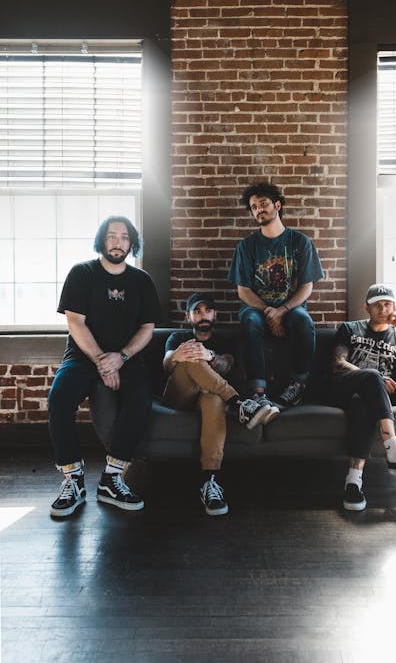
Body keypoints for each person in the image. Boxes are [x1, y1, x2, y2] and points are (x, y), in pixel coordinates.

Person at [48, 216, 162, 518]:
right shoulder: (82, 273)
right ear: (102, 240)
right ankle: (73, 480)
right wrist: (102, 361)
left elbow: (147, 327)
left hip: (126, 358)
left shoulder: (141, 281)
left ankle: (112, 479)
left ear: (131, 243)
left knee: (140, 399)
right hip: (84, 355)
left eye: (124, 237)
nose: (118, 242)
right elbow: (75, 322)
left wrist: (121, 357)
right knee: (59, 398)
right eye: (112, 236)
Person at [324, 284, 396, 512]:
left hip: (370, 401)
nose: (383, 309)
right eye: (377, 305)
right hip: (343, 390)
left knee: (362, 405)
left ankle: (353, 481)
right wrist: (376, 377)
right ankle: (394, 449)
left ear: (394, 307)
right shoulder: (350, 329)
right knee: (370, 378)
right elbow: (337, 364)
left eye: (387, 304)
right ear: (367, 307)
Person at [162, 292, 271, 516]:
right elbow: (166, 365)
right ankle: (240, 403)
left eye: (208, 310)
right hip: (179, 396)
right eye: (197, 311)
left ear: (215, 314)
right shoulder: (177, 337)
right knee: (190, 358)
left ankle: (209, 481)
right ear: (188, 316)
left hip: (207, 397)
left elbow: (227, 364)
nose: (203, 315)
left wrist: (209, 355)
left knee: (213, 399)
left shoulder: (227, 340)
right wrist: (178, 356)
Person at [228, 181, 324, 416]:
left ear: (277, 205)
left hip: (291, 308)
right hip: (256, 308)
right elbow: (244, 291)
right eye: (253, 207)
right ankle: (258, 392)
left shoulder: (300, 242)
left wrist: (282, 310)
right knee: (250, 321)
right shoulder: (247, 246)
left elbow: (306, 287)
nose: (258, 209)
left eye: (263, 204)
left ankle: (298, 385)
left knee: (304, 321)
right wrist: (269, 311)